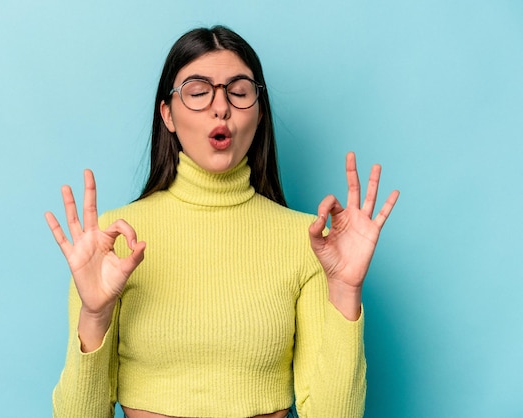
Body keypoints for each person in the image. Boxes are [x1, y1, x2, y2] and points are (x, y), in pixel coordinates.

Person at [45, 25, 399, 418]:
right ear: (168, 115)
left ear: (259, 112)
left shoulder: (309, 242)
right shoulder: (111, 242)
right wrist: (94, 316)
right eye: (197, 92)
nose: (221, 107)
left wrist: (346, 290)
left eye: (239, 91)